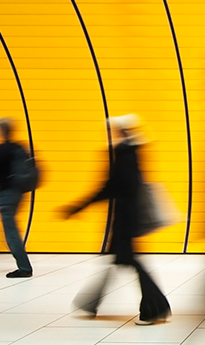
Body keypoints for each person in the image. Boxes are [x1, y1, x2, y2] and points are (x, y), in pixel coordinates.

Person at [63, 114, 171, 326]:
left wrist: (79, 206)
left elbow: (112, 186)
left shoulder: (123, 153)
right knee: (118, 259)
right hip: (128, 217)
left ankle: (155, 307)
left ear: (120, 131)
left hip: (125, 219)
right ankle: (89, 303)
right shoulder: (132, 150)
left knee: (129, 260)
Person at [0, 117, 33, 278]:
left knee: (11, 231)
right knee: (10, 228)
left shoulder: (0, 150)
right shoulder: (20, 148)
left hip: (5, 194)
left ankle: (24, 268)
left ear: (0, 131)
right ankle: (20, 261)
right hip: (18, 194)